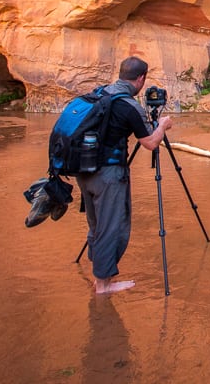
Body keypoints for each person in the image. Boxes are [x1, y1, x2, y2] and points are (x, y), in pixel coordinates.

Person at [77, 56, 172, 294]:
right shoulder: (129, 105)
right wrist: (162, 125)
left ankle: (97, 271)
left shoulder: (100, 94)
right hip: (108, 175)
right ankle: (103, 285)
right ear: (141, 79)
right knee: (112, 227)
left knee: (96, 224)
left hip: (84, 169)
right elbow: (150, 142)